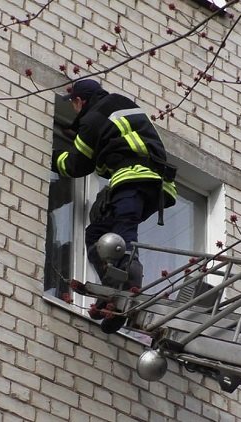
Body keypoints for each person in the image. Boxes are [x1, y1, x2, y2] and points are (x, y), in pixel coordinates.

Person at [52, 79, 177, 327]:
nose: (74, 109)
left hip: (134, 178)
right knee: (96, 233)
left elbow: (77, 165)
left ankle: (130, 285)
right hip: (155, 183)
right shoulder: (119, 104)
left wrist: (51, 156)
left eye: (74, 104)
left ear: (79, 101)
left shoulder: (92, 119)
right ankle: (112, 291)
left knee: (123, 230)